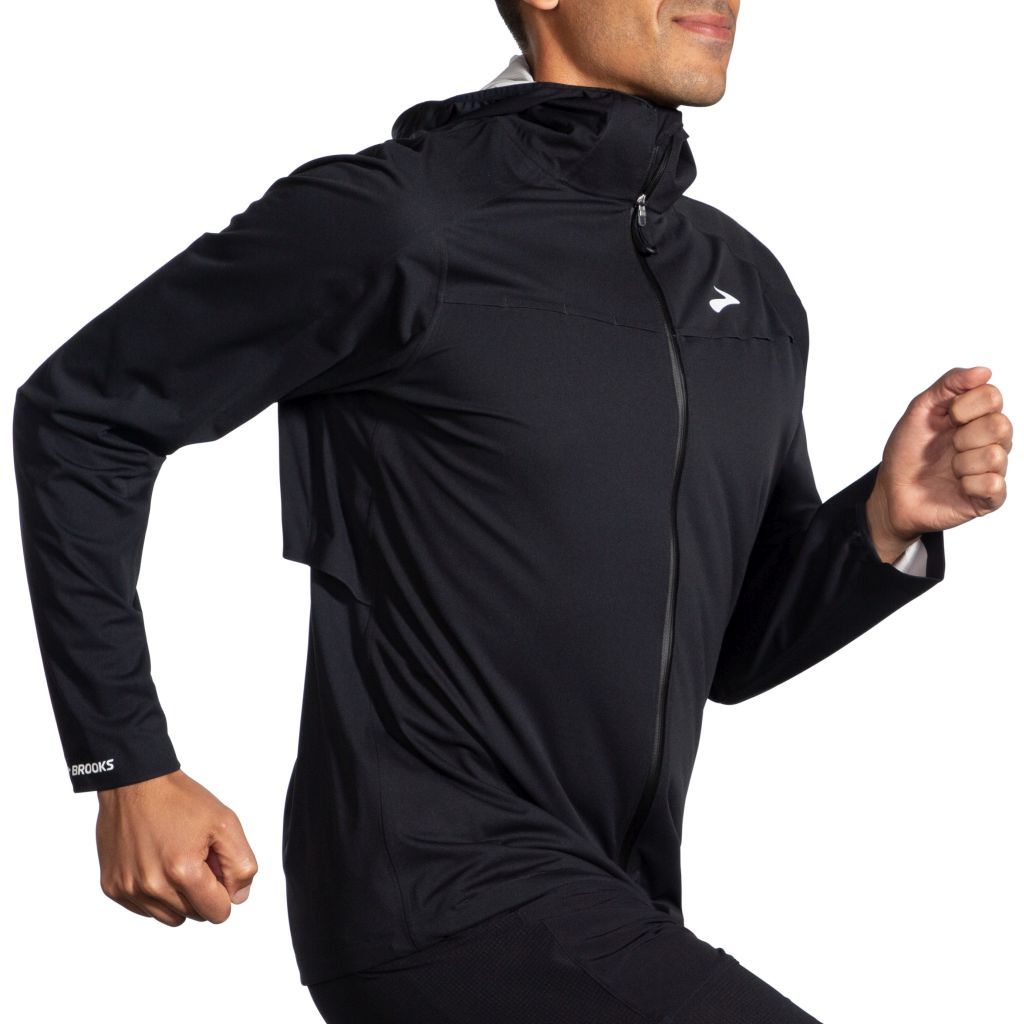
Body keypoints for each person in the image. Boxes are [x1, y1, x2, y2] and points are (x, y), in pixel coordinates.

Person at [12, 0, 1011, 1021]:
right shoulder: (400, 220)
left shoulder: (744, 287)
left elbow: (732, 650)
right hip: (430, 890)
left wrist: (885, 522)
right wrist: (127, 765)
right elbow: (83, 416)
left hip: (612, 899)